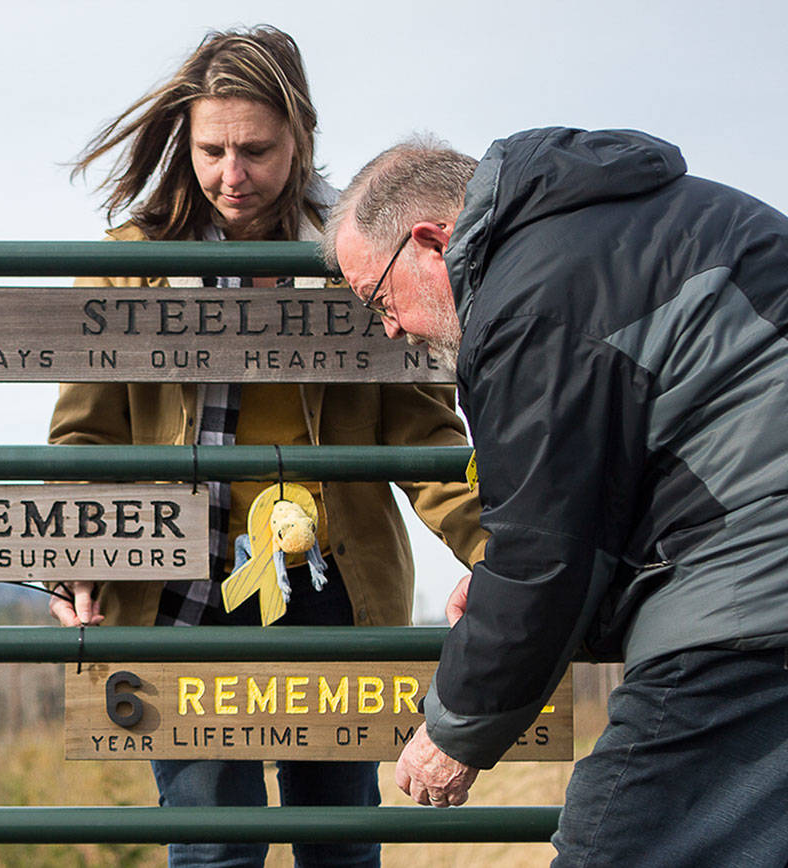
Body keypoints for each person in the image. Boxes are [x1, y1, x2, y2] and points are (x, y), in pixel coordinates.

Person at [325, 129, 788, 866]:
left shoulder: (528, 301)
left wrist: (454, 729)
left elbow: (549, 552)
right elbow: (639, 489)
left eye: (378, 298)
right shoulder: (619, 218)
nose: (393, 328)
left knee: (623, 847)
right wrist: (513, 577)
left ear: (432, 242)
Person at [46, 28, 486, 868]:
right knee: (214, 849)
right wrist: (74, 554)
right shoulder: (130, 265)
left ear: (300, 137)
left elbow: (426, 433)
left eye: (256, 149)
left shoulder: (355, 254)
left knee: (340, 847)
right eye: (212, 149)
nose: (230, 175)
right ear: (187, 139)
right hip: (182, 595)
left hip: (332, 591)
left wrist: (500, 552)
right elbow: (86, 432)